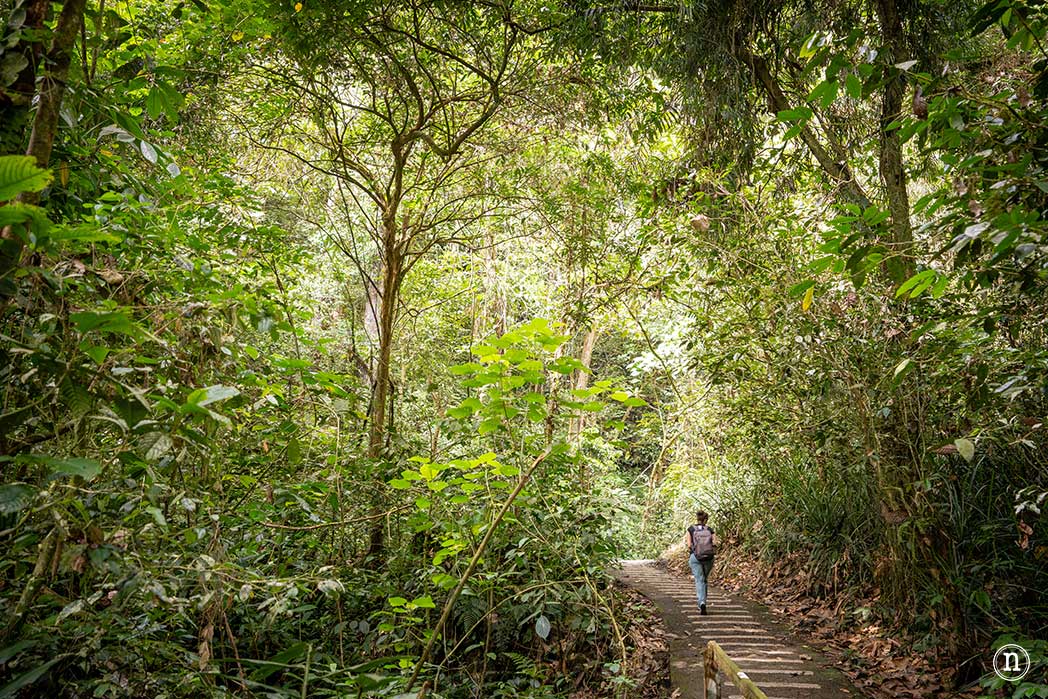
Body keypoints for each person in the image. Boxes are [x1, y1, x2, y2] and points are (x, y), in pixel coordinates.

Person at [686, 510, 716, 615]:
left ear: (697, 519)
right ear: (706, 519)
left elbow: (689, 545)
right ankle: (703, 601)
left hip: (695, 557)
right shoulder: (710, 530)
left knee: (699, 580)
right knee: (704, 579)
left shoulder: (691, 529)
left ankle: (701, 602)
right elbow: (715, 543)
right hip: (709, 558)